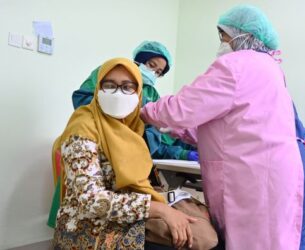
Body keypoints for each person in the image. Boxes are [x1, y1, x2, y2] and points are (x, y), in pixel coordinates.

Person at [141, 5, 304, 250]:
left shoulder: (236, 65)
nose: (221, 43)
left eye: (223, 36)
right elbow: (231, 123)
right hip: (275, 172)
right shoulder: (270, 68)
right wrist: (176, 130)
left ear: (240, 35)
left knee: (251, 242)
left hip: (252, 178)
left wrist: (144, 111)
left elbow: (181, 108)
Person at [52, 58, 197, 249]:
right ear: (97, 89)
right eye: (109, 85)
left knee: (198, 229)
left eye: (127, 87)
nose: (118, 94)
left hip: (126, 215)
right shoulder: (82, 127)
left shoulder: (132, 128)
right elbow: (90, 200)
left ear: (138, 94)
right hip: (88, 228)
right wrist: (159, 210)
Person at [72, 41, 198, 161]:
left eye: (158, 72)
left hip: (133, 152)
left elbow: (155, 136)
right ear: (140, 59)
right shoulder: (112, 71)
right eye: (152, 65)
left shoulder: (151, 93)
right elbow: (82, 98)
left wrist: (182, 152)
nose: (153, 73)